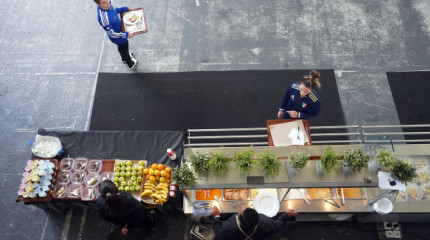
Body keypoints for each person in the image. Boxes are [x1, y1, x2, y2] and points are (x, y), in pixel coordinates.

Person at [94, 0, 139, 70]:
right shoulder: (104, 19)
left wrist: (125, 9)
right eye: (104, 3)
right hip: (119, 37)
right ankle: (130, 63)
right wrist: (126, 35)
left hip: (120, 32)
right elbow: (112, 34)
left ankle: (124, 58)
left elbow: (114, 11)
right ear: (98, 4)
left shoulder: (107, 5)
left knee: (121, 48)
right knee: (124, 48)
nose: (108, 3)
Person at [211, 205, 297, 240]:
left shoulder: (229, 227)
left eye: (240, 212)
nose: (243, 206)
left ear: (239, 222)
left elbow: (219, 233)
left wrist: (216, 216)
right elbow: (278, 225)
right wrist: (285, 214)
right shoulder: (265, 223)